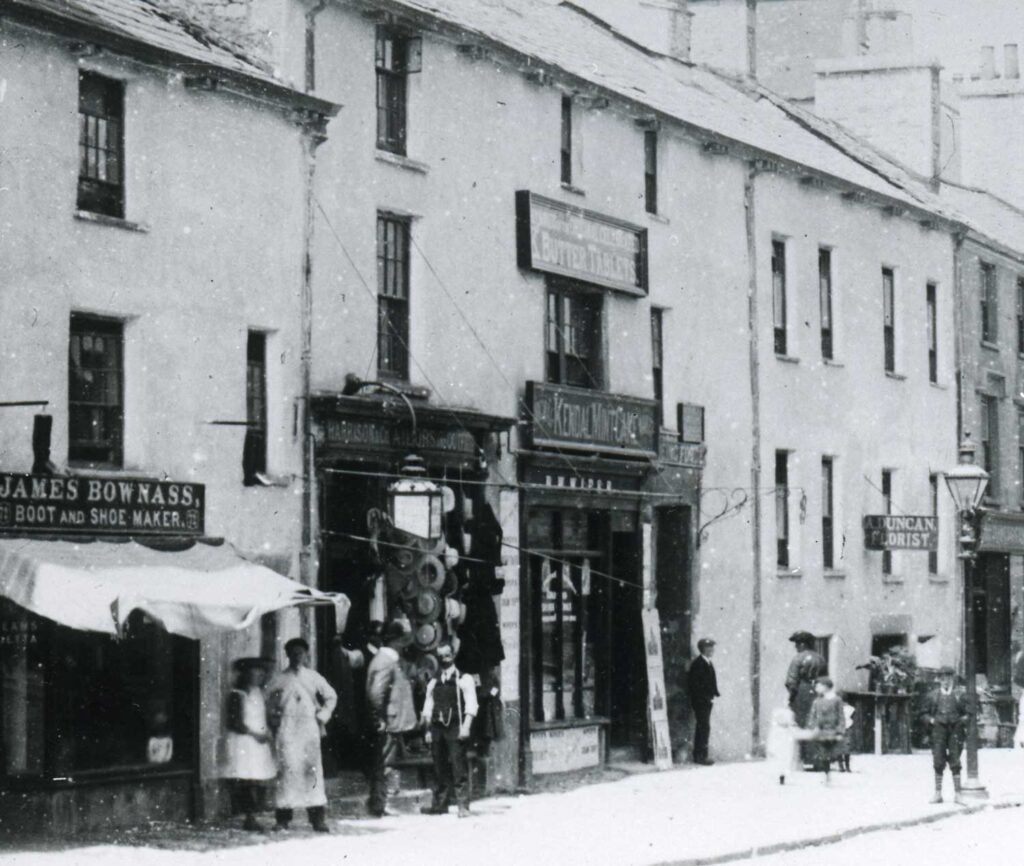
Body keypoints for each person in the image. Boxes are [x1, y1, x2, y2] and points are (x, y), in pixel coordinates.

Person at [266, 637, 338, 832]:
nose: (298, 656)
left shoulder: (314, 677)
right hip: (288, 729)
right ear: (288, 655)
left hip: (308, 728)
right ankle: (283, 818)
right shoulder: (279, 679)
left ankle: (317, 818)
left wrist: (323, 715)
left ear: (306, 655)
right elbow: (267, 700)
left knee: (312, 771)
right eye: (294, 653)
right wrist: (274, 714)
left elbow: (331, 696)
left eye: (301, 653)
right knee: (287, 771)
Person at [365, 620, 417, 817]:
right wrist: (379, 718)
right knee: (385, 762)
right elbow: (376, 694)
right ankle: (380, 804)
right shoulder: (385, 661)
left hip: (392, 720)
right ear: (396, 640)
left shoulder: (387, 659)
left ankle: (381, 802)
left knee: (386, 761)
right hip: (388, 721)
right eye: (403, 639)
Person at [420, 643, 478, 818]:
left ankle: (463, 806)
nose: (444, 659)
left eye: (447, 655)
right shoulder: (434, 681)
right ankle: (440, 804)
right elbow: (428, 706)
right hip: (437, 727)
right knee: (438, 767)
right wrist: (428, 729)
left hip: (455, 727)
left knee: (458, 766)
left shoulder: (463, 679)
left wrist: (466, 726)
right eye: (440, 656)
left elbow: (471, 704)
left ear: (453, 655)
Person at [223, 657, 276, 831]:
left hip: (258, 742)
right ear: (246, 674)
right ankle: (249, 816)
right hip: (244, 742)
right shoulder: (238, 694)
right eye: (255, 672)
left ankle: (253, 815)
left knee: (258, 779)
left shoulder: (259, 693)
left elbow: (261, 717)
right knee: (247, 780)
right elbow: (234, 722)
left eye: (261, 673)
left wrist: (267, 731)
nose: (259, 676)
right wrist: (255, 734)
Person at [921, 665, 969, 805]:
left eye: (948, 677)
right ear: (939, 679)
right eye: (942, 678)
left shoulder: (960, 695)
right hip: (938, 730)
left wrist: (962, 721)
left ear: (952, 678)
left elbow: (969, 714)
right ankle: (937, 793)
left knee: (955, 760)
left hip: (955, 730)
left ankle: (958, 794)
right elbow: (923, 714)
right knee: (938, 760)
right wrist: (931, 720)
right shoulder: (932, 696)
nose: (945, 681)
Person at [687, 637, 719, 766]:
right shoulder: (698, 664)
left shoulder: (707, 663)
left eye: (712, 647)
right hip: (701, 701)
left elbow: (710, 681)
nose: (712, 650)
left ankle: (700, 755)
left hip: (706, 700)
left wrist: (714, 693)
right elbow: (695, 685)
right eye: (709, 648)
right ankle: (700, 756)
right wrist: (704, 697)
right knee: (703, 727)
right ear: (703, 649)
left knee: (703, 727)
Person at [807, 676, 844, 783]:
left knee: (831, 753)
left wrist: (840, 731)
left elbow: (841, 716)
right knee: (823, 754)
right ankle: (826, 775)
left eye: (818, 686)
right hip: (820, 731)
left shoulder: (837, 700)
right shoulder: (817, 701)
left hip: (832, 731)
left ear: (826, 686)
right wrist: (812, 727)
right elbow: (812, 716)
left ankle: (829, 771)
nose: (816, 688)